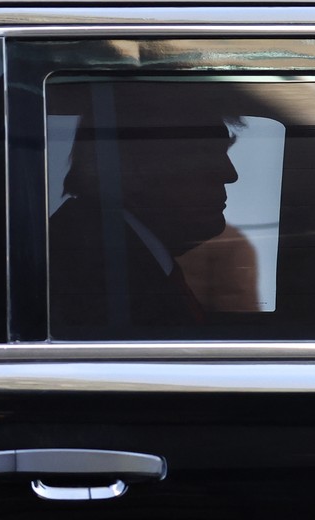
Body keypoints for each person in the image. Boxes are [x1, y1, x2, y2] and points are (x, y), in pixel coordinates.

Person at [48, 81, 240, 338]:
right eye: (204, 152)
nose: (230, 174)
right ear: (133, 166)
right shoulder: (92, 274)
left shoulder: (118, 255)